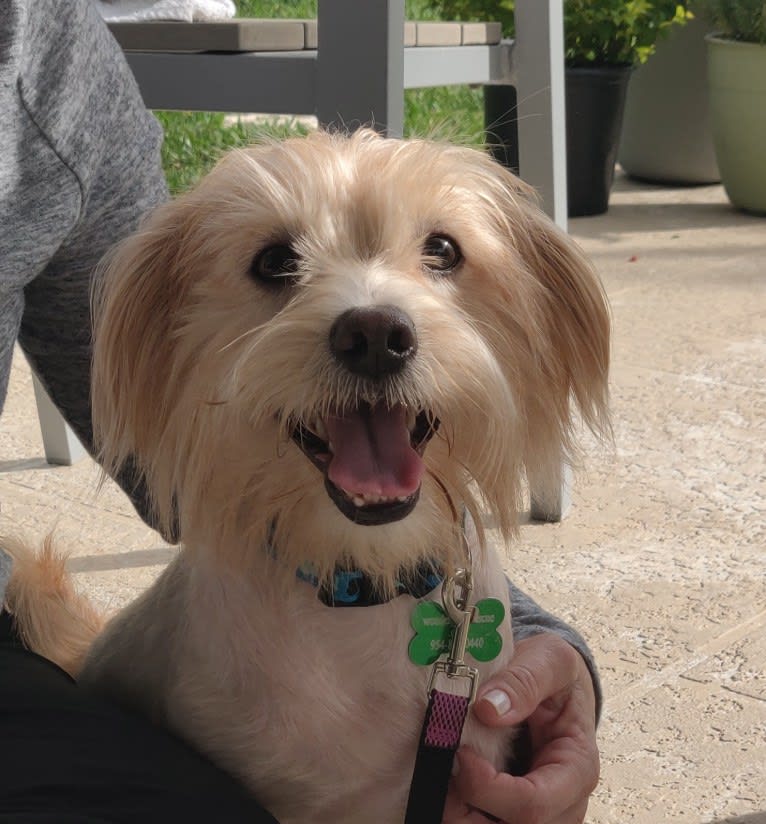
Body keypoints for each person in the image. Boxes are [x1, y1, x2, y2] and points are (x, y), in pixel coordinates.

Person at [0, 1, 600, 821]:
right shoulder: (219, 691)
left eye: (441, 254)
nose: (372, 318)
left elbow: (445, 582)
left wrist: (551, 654)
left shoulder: (45, 52)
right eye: (277, 264)